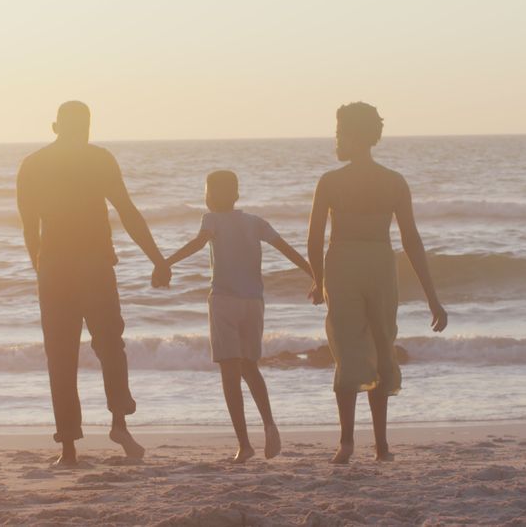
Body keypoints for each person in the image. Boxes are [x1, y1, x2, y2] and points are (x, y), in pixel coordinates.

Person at [16, 101, 171, 466]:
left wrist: (41, 268)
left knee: (62, 354)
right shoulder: (99, 159)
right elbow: (127, 211)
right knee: (109, 345)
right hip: (92, 265)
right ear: (71, 127)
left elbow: (29, 227)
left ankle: (69, 448)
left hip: (57, 266)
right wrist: (157, 258)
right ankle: (117, 422)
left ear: (56, 125)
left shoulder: (34, 164)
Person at [306, 102, 448, 465]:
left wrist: (317, 278)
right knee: (382, 348)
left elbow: (314, 238)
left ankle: (347, 442)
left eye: (340, 133)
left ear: (354, 137)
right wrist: (433, 298)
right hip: (381, 265)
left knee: (348, 351)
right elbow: (411, 241)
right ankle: (381, 445)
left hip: (342, 265)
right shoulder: (394, 181)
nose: (336, 139)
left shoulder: (330, 182)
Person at [159, 170, 312, 463]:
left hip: (224, 301)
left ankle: (244, 444)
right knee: (250, 368)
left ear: (210, 197)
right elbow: (287, 250)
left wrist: (166, 262)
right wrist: (316, 276)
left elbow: (197, 243)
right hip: (253, 303)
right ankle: (269, 423)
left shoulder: (211, 219)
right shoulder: (255, 222)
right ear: (237, 195)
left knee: (230, 375)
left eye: (207, 192)